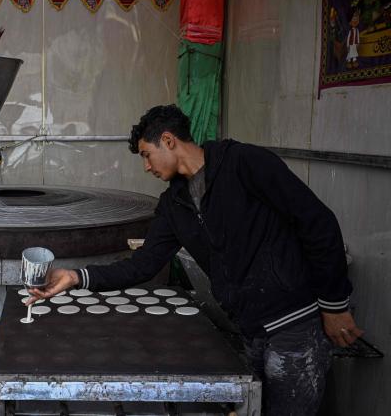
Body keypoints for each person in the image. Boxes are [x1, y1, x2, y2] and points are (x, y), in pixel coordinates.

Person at [27, 104, 363, 416]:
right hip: (250, 329)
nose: (146, 167)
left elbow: (318, 223)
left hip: (294, 321)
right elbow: (143, 264)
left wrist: (334, 305)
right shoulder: (175, 204)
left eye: (147, 155)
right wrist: (75, 277)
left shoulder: (245, 164)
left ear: (169, 141)